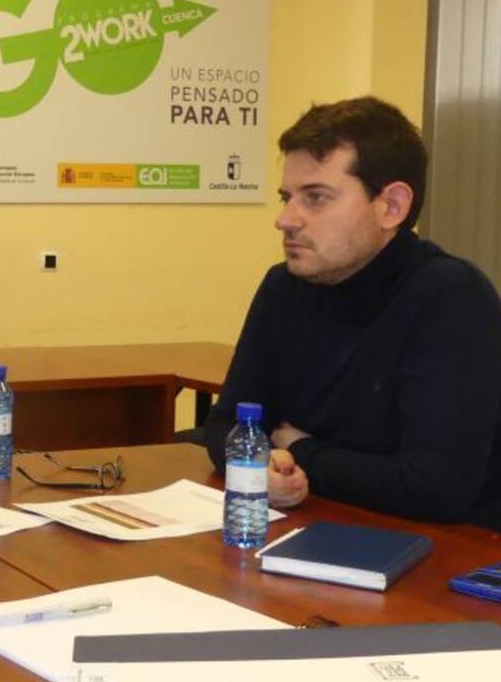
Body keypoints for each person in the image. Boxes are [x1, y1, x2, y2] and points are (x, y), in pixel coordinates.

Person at [204, 96, 501, 527]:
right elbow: (226, 425)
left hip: (446, 549)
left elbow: (434, 489)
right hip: (323, 521)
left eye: (316, 198)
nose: (286, 219)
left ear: (391, 207)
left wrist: (300, 449)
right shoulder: (284, 286)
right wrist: (262, 464)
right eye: (287, 197)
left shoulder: (451, 297)